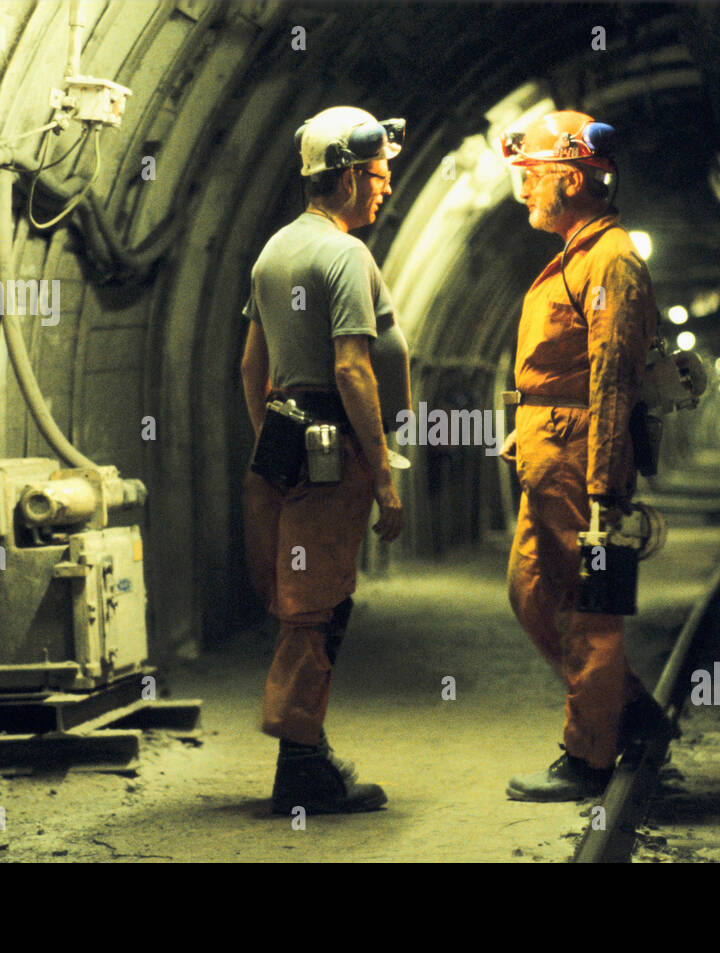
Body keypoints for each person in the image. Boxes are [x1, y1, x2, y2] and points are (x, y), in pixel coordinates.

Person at [240, 106, 410, 814]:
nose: (387, 190)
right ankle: (301, 762)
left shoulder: (273, 251)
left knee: (306, 598)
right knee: (319, 607)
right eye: (378, 176)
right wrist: (385, 474)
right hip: (333, 442)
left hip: (287, 435)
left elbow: (252, 367)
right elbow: (353, 370)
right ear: (345, 175)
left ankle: (304, 749)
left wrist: (273, 438)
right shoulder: (344, 256)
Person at [498, 110, 669, 801]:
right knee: (531, 591)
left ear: (570, 178)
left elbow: (612, 379)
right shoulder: (578, 253)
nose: (524, 192)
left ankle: (590, 756)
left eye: (533, 177)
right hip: (551, 453)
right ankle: (627, 710)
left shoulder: (612, 260)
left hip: (578, 465)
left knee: (589, 607)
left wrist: (603, 486)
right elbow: (564, 371)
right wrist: (532, 421)